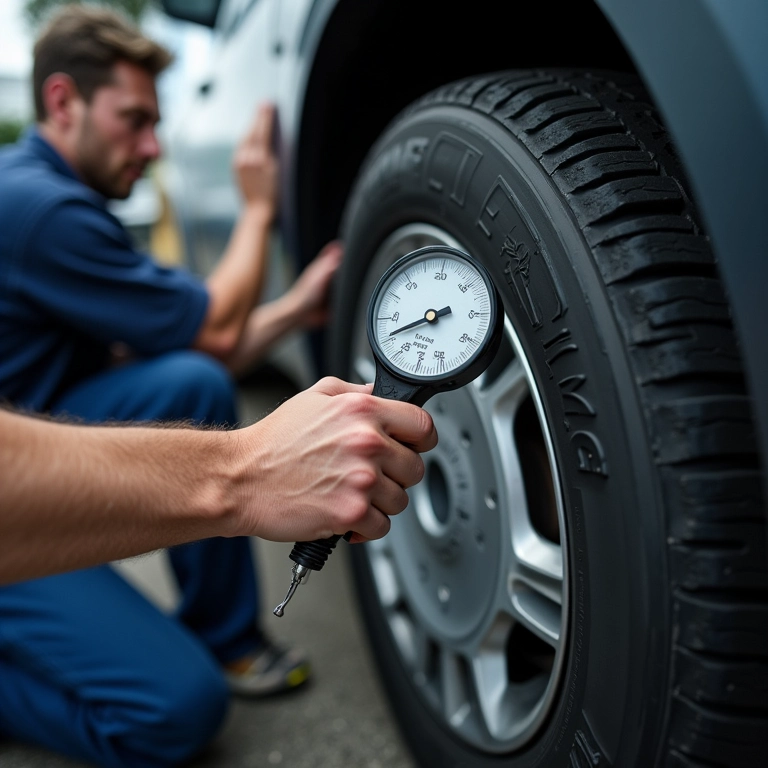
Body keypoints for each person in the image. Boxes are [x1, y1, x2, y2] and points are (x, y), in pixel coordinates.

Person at [0, 5, 417, 767]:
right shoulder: (38, 210)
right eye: (134, 120)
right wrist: (257, 208)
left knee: (188, 383)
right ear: (63, 102)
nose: (152, 147)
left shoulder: (48, 197)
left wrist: (294, 308)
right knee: (171, 710)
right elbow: (217, 330)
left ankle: (227, 640)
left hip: (30, 427)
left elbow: (196, 351)